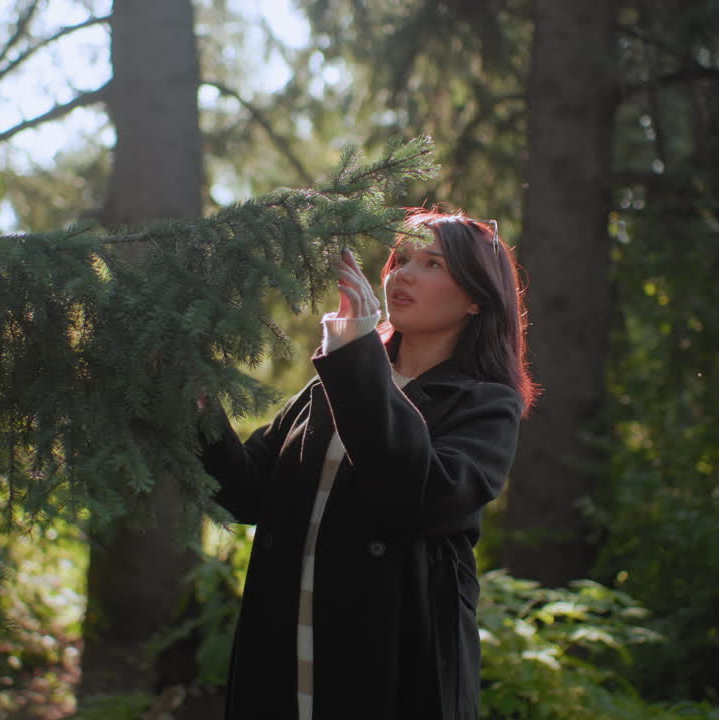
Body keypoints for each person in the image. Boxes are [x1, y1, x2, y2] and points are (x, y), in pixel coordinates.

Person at [199, 209, 535, 719]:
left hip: (392, 668)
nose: (403, 273)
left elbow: (418, 496)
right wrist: (193, 397)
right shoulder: (330, 384)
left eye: (431, 263)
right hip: (283, 659)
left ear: (475, 299)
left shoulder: (485, 404)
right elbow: (244, 491)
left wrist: (354, 350)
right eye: (400, 258)